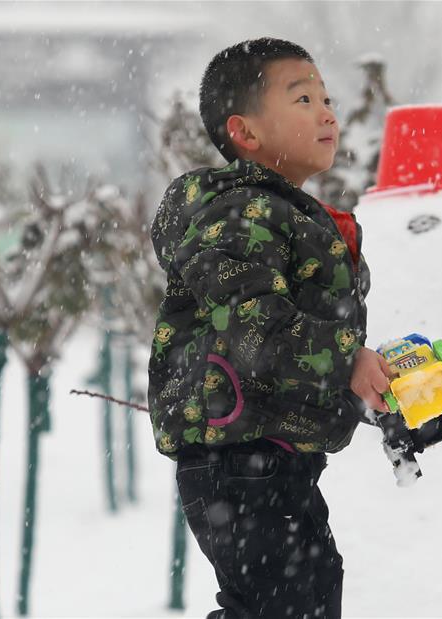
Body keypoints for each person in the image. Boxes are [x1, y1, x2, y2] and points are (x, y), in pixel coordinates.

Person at [147, 37, 392, 619]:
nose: (327, 111)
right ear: (246, 133)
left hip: (274, 461)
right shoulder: (237, 214)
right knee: (286, 603)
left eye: (326, 98)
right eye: (303, 98)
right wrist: (346, 360)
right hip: (237, 462)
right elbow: (253, 328)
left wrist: (367, 381)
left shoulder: (289, 217)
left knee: (300, 595)